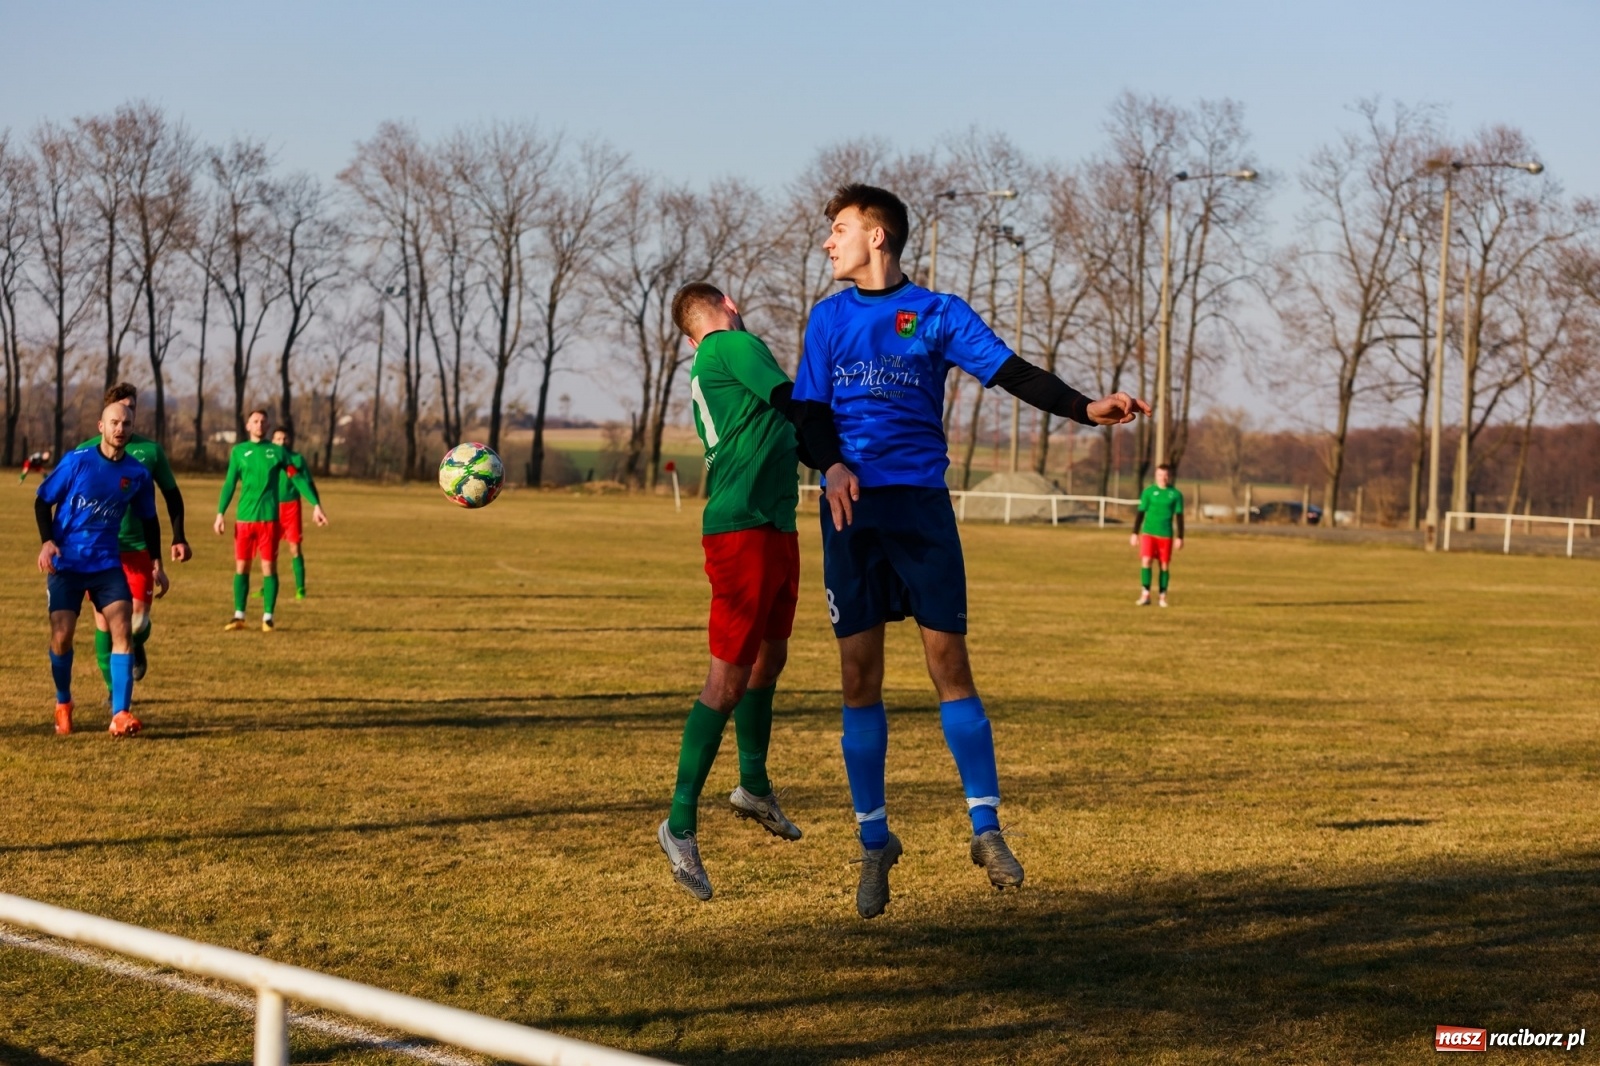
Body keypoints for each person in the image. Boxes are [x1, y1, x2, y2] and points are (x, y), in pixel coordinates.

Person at [792, 183, 1149, 918]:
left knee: (949, 665)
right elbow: (808, 413)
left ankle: (986, 828)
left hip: (921, 510)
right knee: (858, 678)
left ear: (877, 236)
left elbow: (1011, 371)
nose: (828, 242)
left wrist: (1085, 407)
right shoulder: (827, 319)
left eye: (839, 229)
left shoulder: (938, 313)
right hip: (850, 511)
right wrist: (830, 465)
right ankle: (874, 841)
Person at [656, 282, 806, 901]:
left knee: (771, 659)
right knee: (727, 680)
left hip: (772, 523)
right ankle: (679, 824)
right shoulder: (731, 344)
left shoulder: (710, 358)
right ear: (727, 305)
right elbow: (793, 401)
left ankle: (753, 787)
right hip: (743, 528)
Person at [35, 401, 163, 737]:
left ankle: (120, 713)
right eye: (114, 423)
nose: (120, 429)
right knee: (62, 637)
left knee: (122, 630)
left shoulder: (137, 474)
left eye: (126, 424)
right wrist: (47, 542)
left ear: (132, 429)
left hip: (107, 564)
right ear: (101, 426)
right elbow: (42, 500)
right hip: (67, 564)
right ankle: (63, 702)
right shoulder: (77, 461)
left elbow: (150, 521)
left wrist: (156, 563)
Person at [77, 383, 192, 687]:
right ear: (107, 415)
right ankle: (113, 693)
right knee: (104, 621)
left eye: (132, 409)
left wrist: (178, 537)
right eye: (121, 409)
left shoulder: (150, 451)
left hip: (139, 546)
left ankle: (135, 643)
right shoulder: (85, 450)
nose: (127, 416)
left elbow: (172, 494)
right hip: (100, 549)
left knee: (137, 622)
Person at [214, 410, 327, 632]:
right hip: (244, 520)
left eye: (263, 421)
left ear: (267, 426)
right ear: (248, 425)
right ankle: (239, 616)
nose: (259, 424)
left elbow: (297, 478)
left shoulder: (278, 452)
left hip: (269, 521)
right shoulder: (238, 451)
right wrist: (220, 513)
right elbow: (229, 484)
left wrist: (315, 504)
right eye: (255, 421)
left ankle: (268, 617)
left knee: (268, 568)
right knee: (241, 567)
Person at [270, 427, 317, 600]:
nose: (281, 442)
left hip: (291, 507)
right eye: (278, 439)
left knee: (294, 547)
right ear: (273, 441)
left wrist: (317, 505)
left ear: (289, 440)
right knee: (269, 549)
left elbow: (308, 484)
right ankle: (267, 586)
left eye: (285, 439)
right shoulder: (268, 458)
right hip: (272, 507)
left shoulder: (297, 459)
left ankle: (300, 587)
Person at [1132, 464, 1184, 607]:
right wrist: (1135, 533)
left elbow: (1179, 516)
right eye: (1160, 475)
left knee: (1164, 565)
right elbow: (1141, 512)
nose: (1163, 478)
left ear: (1170, 476)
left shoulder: (1176, 494)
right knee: (1146, 560)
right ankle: (1145, 594)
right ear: (1156, 476)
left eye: (1166, 475)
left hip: (1165, 535)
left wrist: (1180, 537)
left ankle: (1162, 596)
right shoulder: (1148, 492)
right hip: (1149, 533)